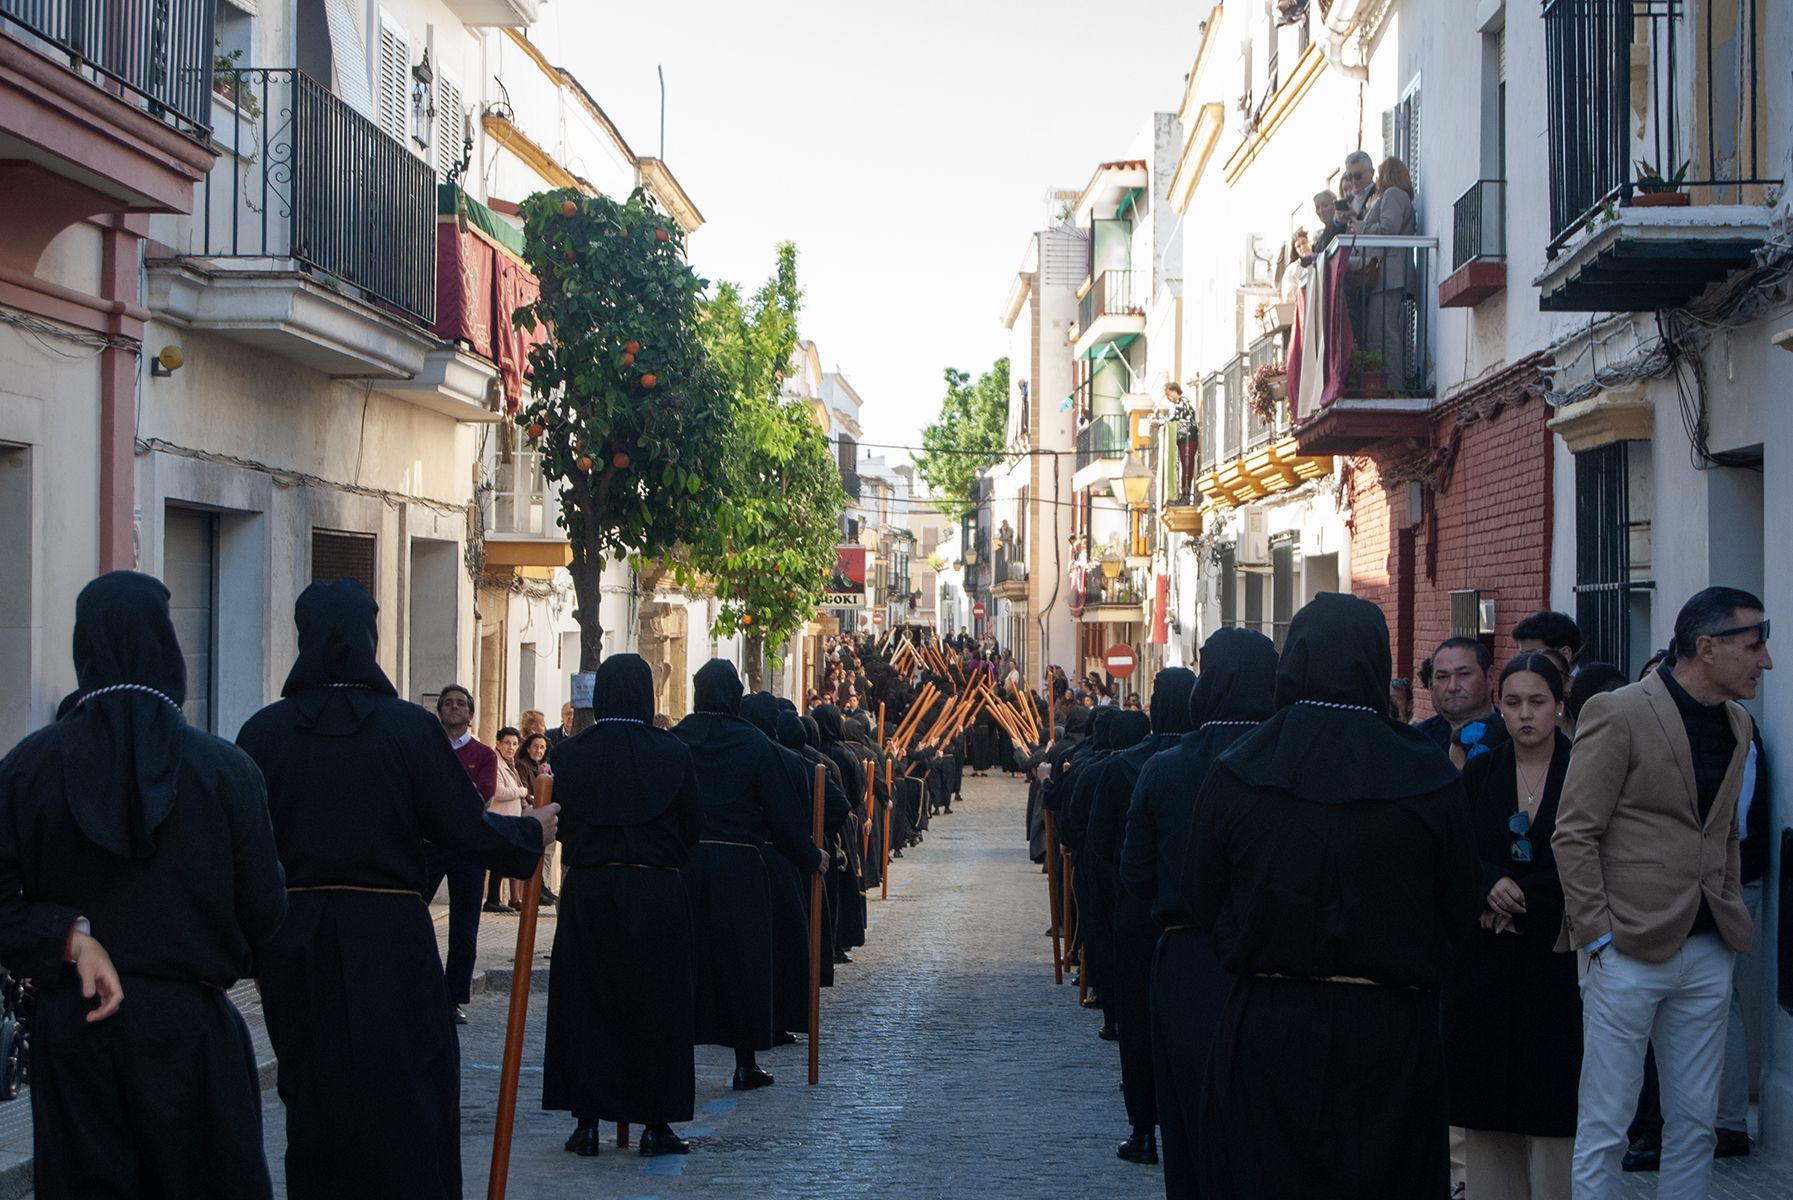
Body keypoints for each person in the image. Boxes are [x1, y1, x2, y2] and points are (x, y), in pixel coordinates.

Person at [238, 579, 552, 1199]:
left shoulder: (264, 734)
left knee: (314, 1094)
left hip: (294, 942)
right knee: (407, 1089)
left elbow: (244, 853)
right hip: (388, 940)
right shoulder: (406, 730)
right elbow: (462, 826)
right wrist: (528, 837)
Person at [0, 572, 287, 1199]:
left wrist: (69, 936)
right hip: (189, 1031)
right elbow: (265, 911)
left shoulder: (29, 766)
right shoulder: (224, 771)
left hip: (78, 1030)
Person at [1188, 593, 1479, 1199]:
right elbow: (1458, 905)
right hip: (1390, 1029)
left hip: (1270, 1025)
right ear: (1377, 660)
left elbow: (1202, 895)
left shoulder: (1239, 769)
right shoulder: (1428, 774)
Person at [1554, 587, 1768, 1198]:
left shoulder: (1738, 722)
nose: (1766, 661)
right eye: (1754, 645)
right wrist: (1597, 936)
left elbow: (1724, 828)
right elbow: (1575, 832)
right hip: (1625, 947)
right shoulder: (1619, 711)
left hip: (1707, 947)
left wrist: (1725, 909)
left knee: (1696, 1125)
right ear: (1708, 647)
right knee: (1605, 1124)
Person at [1126, 630, 1278, 1200]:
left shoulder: (1165, 770)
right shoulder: (1287, 759)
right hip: (1273, 964)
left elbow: (1136, 874)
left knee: (1191, 1121)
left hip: (1189, 961)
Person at [543, 654, 703, 1158]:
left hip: (590, 891)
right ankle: (655, 1122)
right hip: (655, 894)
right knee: (657, 1006)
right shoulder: (673, 752)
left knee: (587, 1002)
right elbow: (692, 825)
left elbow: (560, 825)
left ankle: (586, 1121)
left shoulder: (570, 755)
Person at [1443, 653, 1580, 1200]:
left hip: (1555, 953)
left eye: (1538, 702)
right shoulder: (1482, 770)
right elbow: (1458, 849)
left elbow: (1591, 852)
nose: (1526, 715)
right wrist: (1489, 881)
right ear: (1499, 705)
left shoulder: (1582, 769)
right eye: (1515, 702)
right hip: (1488, 955)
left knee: (1550, 1093)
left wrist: (1527, 891)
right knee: (1486, 1094)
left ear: (1559, 706)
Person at [672, 660, 825, 1090]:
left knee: (688, 962)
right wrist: (809, 855)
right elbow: (781, 815)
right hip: (740, 868)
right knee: (743, 964)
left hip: (685, 867)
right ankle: (745, 1062)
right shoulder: (756, 744)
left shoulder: (676, 738)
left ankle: (677, 1056)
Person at [1087, 668, 1196, 1166]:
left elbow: (1102, 846)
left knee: (1138, 1022)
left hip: (1136, 910)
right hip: (1194, 912)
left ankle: (1144, 1131)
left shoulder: (1125, 767)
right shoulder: (1215, 763)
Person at [425, 684, 497, 1021]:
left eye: (460, 704)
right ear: (439, 710)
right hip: (429, 844)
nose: (454, 708)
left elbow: (481, 797)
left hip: (468, 846)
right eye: (448, 703)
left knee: (465, 926)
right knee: (410, 914)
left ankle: (452, 998)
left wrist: (445, 796)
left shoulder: (484, 755)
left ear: (470, 714)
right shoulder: (426, 748)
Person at [1417, 637, 1509, 767]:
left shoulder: (1513, 736)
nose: (1453, 687)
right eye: (1442, 677)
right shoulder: (1418, 742)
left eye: (1464, 674)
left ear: (1490, 677)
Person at [485, 726, 532, 912]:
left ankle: (498, 899)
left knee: (502, 862)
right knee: (497, 863)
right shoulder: (495, 763)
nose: (511, 747)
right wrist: (521, 791)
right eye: (506, 743)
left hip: (510, 820)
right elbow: (499, 792)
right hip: (499, 818)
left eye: (514, 744)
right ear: (498, 743)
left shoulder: (510, 764)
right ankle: (492, 900)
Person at [519, 730, 560, 905]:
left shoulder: (542, 767)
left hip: (545, 816)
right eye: (535, 746)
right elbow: (525, 789)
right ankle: (536, 890)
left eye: (542, 747)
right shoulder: (523, 765)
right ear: (528, 748)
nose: (539, 750)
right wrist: (536, 799)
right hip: (531, 815)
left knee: (547, 855)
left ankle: (543, 887)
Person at [1514, 610, 1583, 678]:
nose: (1526, 663)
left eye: (1534, 656)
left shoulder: (1585, 687)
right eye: (1522, 657)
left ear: (1565, 654)